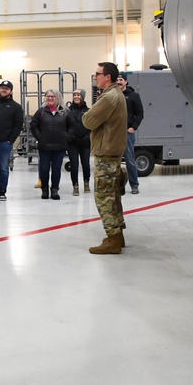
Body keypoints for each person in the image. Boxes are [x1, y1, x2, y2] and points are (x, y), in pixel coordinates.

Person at [82, 61, 128, 254]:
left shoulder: (109, 97)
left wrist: (87, 116)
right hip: (113, 154)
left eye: (98, 74)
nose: (95, 77)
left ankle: (113, 239)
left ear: (107, 76)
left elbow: (88, 120)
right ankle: (118, 235)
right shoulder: (117, 94)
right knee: (113, 196)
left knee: (104, 197)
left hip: (106, 156)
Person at [30, 90, 73, 200]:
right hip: (45, 146)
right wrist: (40, 138)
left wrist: (66, 137)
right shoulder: (41, 111)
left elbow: (72, 126)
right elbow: (33, 125)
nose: (50, 98)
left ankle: (54, 190)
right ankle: (44, 189)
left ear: (57, 97)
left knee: (56, 169)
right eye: (48, 96)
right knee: (44, 169)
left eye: (52, 96)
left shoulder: (64, 111)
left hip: (60, 146)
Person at [119, 71, 144, 194]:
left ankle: (134, 185)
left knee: (129, 160)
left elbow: (140, 114)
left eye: (121, 80)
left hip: (127, 133)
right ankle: (116, 185)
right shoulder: (113, 95)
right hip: (114, 134)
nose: (119, 82)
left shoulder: (133, 96)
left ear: (126, 82)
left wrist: (133, 127)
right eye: (117, 80)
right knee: (115, 161)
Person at [66, 89, 92, 196]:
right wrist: (71, 137)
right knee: (74, 165)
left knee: (86, 164)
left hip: (85, 142)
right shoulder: (68, 111)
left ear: (82, 97)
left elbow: (91, 126)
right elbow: (66, 126)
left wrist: (87, 137)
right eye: (74, 95)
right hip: (73, 142)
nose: (76, 97)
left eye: (78, 95)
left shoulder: (88, 110)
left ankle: (86, 182)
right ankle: (75, 185)